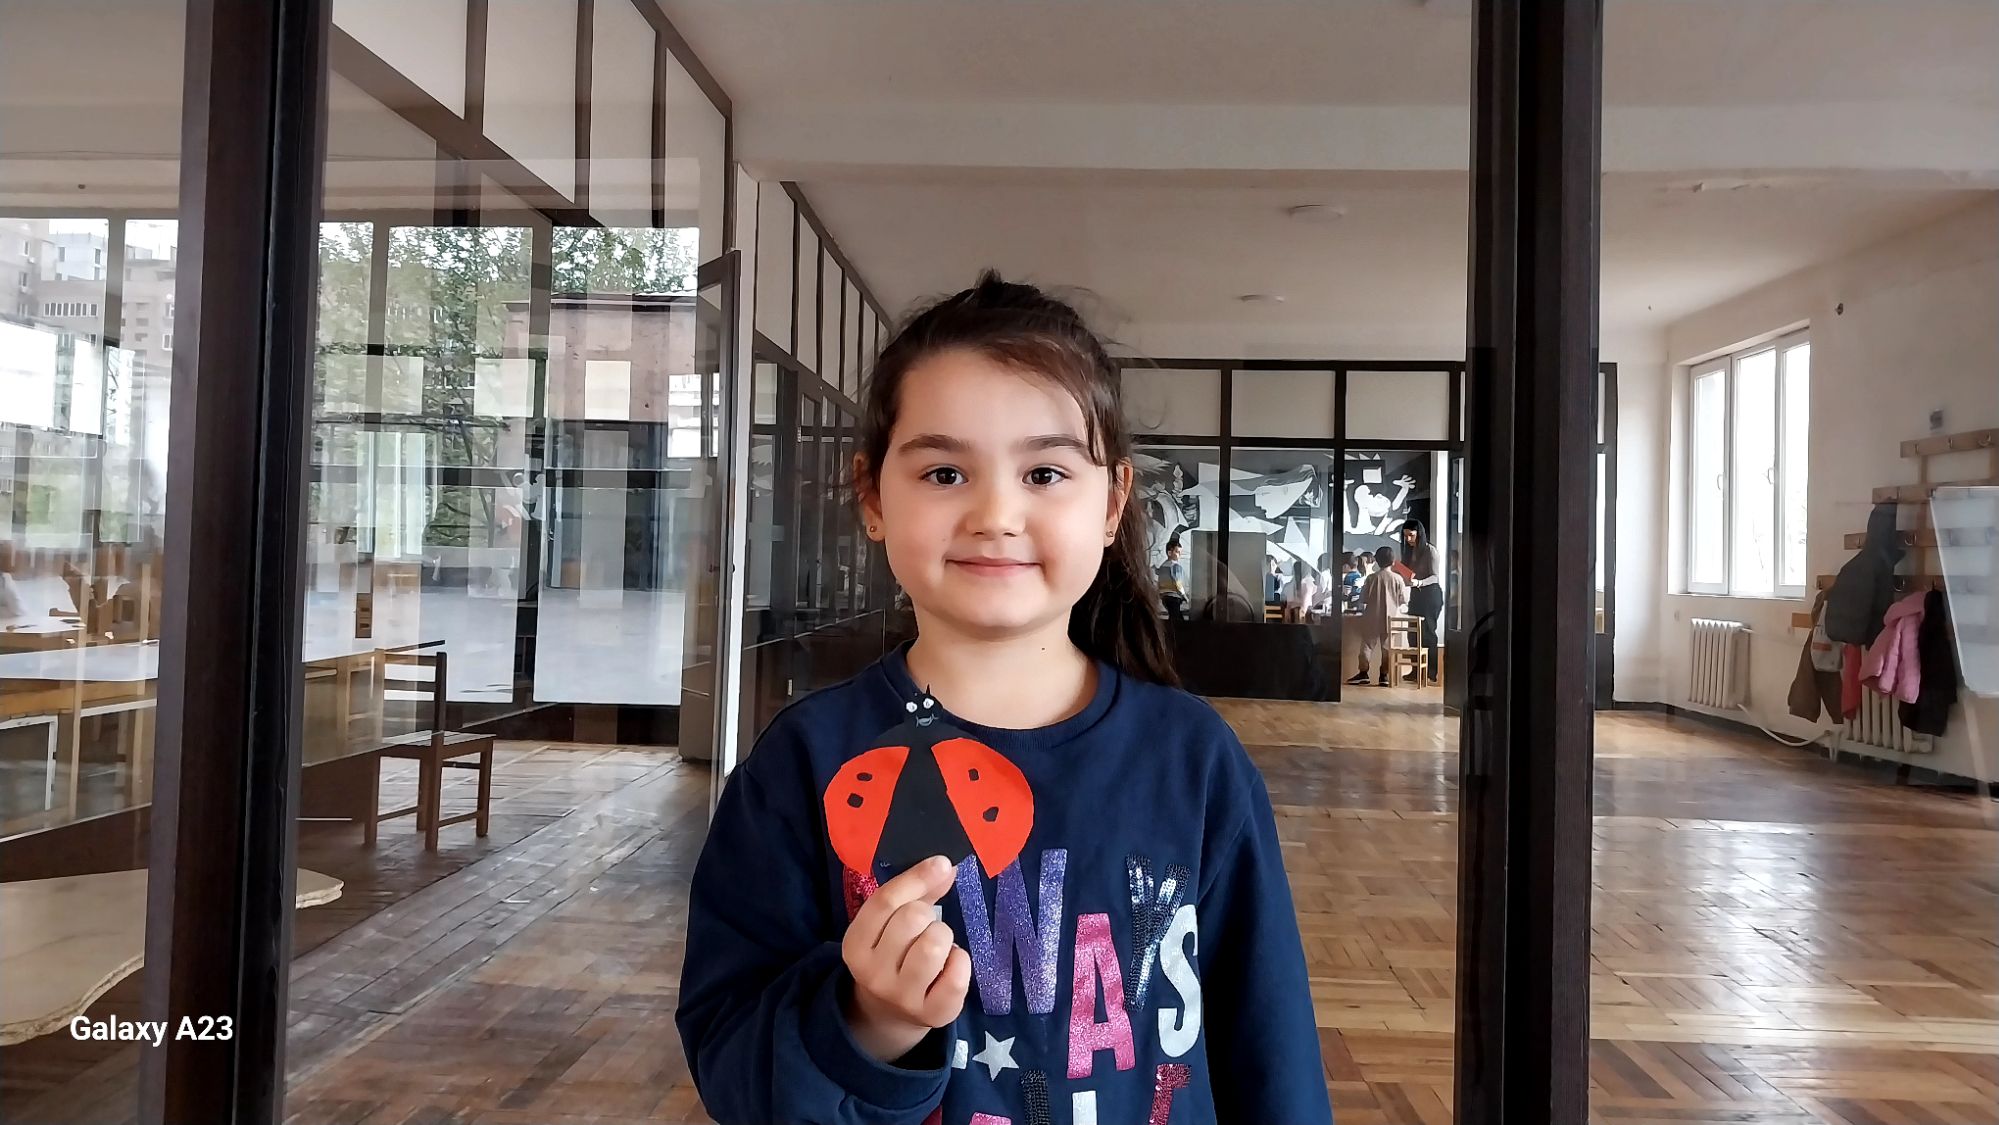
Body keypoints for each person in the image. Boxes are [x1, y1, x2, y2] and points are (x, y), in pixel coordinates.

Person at [676, 272, 1332, 1125]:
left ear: (1112, 503)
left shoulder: (1192, 757)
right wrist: (869, 1024)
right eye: (945, 471)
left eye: (1045, 472)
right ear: (873, 497)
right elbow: (731, 1057)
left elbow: (1270, 1046)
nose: (995, 512)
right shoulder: (804, 762)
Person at [1349, 544, 1410, 686]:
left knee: (1367, 646)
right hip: (1391, 618)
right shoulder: (1398, 579)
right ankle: (1384, 675)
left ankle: (1363, 673)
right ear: (1393, 561)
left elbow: (1363, 598)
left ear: (1376, 561)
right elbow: (1403, 600)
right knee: (1387, 648)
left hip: (1372, 617)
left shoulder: (1371, 578)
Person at [1398, 520, 1443, 685]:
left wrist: (1419, 582)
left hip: (1431, 594)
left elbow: (1435, 576)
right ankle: (1415, 670)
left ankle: (1431, 672)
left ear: (1419, 534)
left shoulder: (1430, 551)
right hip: (1416, 594)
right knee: (1413, 632)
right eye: (1405, 536)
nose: (1408, 539)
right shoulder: (1409, 551)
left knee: (1428, 632)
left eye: (1411, 535)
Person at [1156, 536, 1188, 622]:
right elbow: (1177, 582)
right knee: (1176, 619)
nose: (1179, 555)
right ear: (1169, 553)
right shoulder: (1175, 566)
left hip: (1164, 596)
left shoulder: (1163, 566)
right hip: (1174, 596)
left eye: (1180, 552)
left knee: (1175, 616)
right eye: (1177, 552)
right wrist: (1184, 595)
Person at [1285, 559, 1318, 623]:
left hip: (1294, 614)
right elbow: (1305, 605)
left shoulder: (1290, 585)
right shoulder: (1307, 584)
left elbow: (1288, 605)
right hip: (1306, 613)